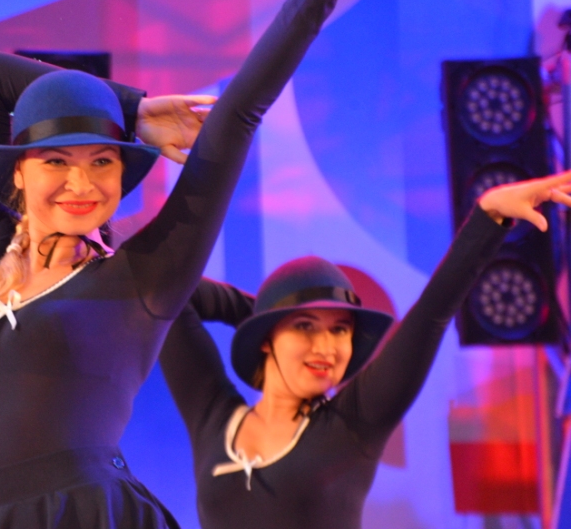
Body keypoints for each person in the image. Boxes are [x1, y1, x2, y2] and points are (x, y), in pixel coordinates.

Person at [0, 0, 451, 529]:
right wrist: (133, 111)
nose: (82, 183)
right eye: (57, 161)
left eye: (103, 161)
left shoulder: (139, 278)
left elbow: (238, 115)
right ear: (18, 171)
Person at [160, 174, 571, 528]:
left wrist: (488, 217)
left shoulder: (353, 423)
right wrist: (263, 317)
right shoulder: (213, 418)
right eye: (305, 326)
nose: (326, 347)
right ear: (267, 339)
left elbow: (430, 316)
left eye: (340, 330)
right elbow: (167, 296)